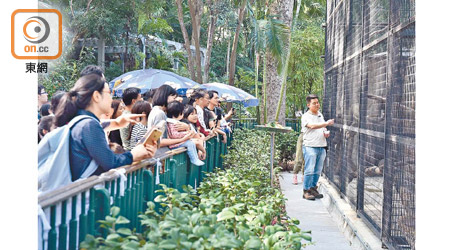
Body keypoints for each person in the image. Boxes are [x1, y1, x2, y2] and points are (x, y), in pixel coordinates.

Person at [54, 74, 156, 181]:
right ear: (96, 96)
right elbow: (110, 162)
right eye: (109, 93)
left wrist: (117, 123)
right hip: (87, 195)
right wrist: (134, 154)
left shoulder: (81, 120)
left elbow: (101, 125)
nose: (111, 98)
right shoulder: (88, 125)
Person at [301, 94, 334, 200]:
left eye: (317, 102)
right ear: (308, 105)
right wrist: (326, 123)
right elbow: (312, 126)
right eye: (314, 103)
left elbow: (322, 128)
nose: (317, 105)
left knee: (317, 170)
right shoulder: (305, 116)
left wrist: (325, 132)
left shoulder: (320, 115)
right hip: (310, 146)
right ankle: (306, 191)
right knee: (309, 170)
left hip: (321, 146)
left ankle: (313, 188)